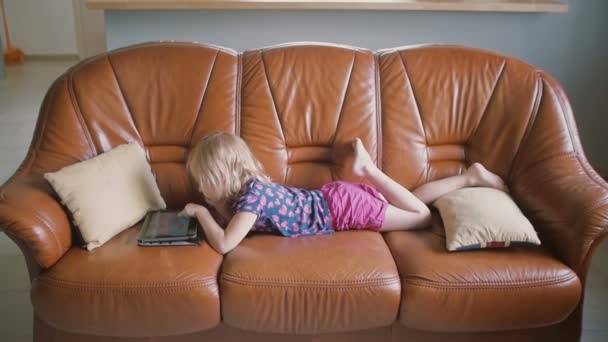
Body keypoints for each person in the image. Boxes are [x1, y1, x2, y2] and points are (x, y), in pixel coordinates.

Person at [179, 132, 507, 255]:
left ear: (221, 176)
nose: (199, 187)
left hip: (346, 210)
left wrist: (200, 211)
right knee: (416, 202)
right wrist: (213, 207)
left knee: (422, 218)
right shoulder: (249, 193)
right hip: (337, 198)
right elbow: (234, 225)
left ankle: (367, 169)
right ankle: (469, 178)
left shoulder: (252, 199)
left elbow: (224, 244)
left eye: (202, 180)